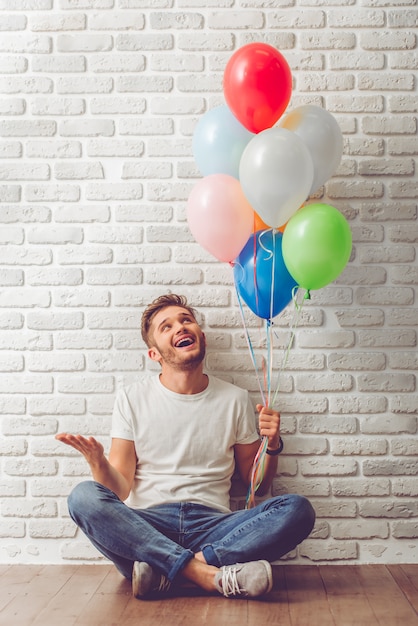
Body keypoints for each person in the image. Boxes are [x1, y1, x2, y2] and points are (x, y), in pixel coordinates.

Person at [56, 294, 315, 600]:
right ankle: (212, 576)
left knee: (297, 509)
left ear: (200, 336)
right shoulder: (132, 398)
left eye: (186, 320)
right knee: (83, 496)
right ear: (154, 353)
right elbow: (120, 490)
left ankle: (173, 573)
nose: (180, 327)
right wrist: (98, 462)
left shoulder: (234, 399)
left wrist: (272, 445)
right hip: (148, 527)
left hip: (213, 526)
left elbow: (256, 485)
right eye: (167, 326)